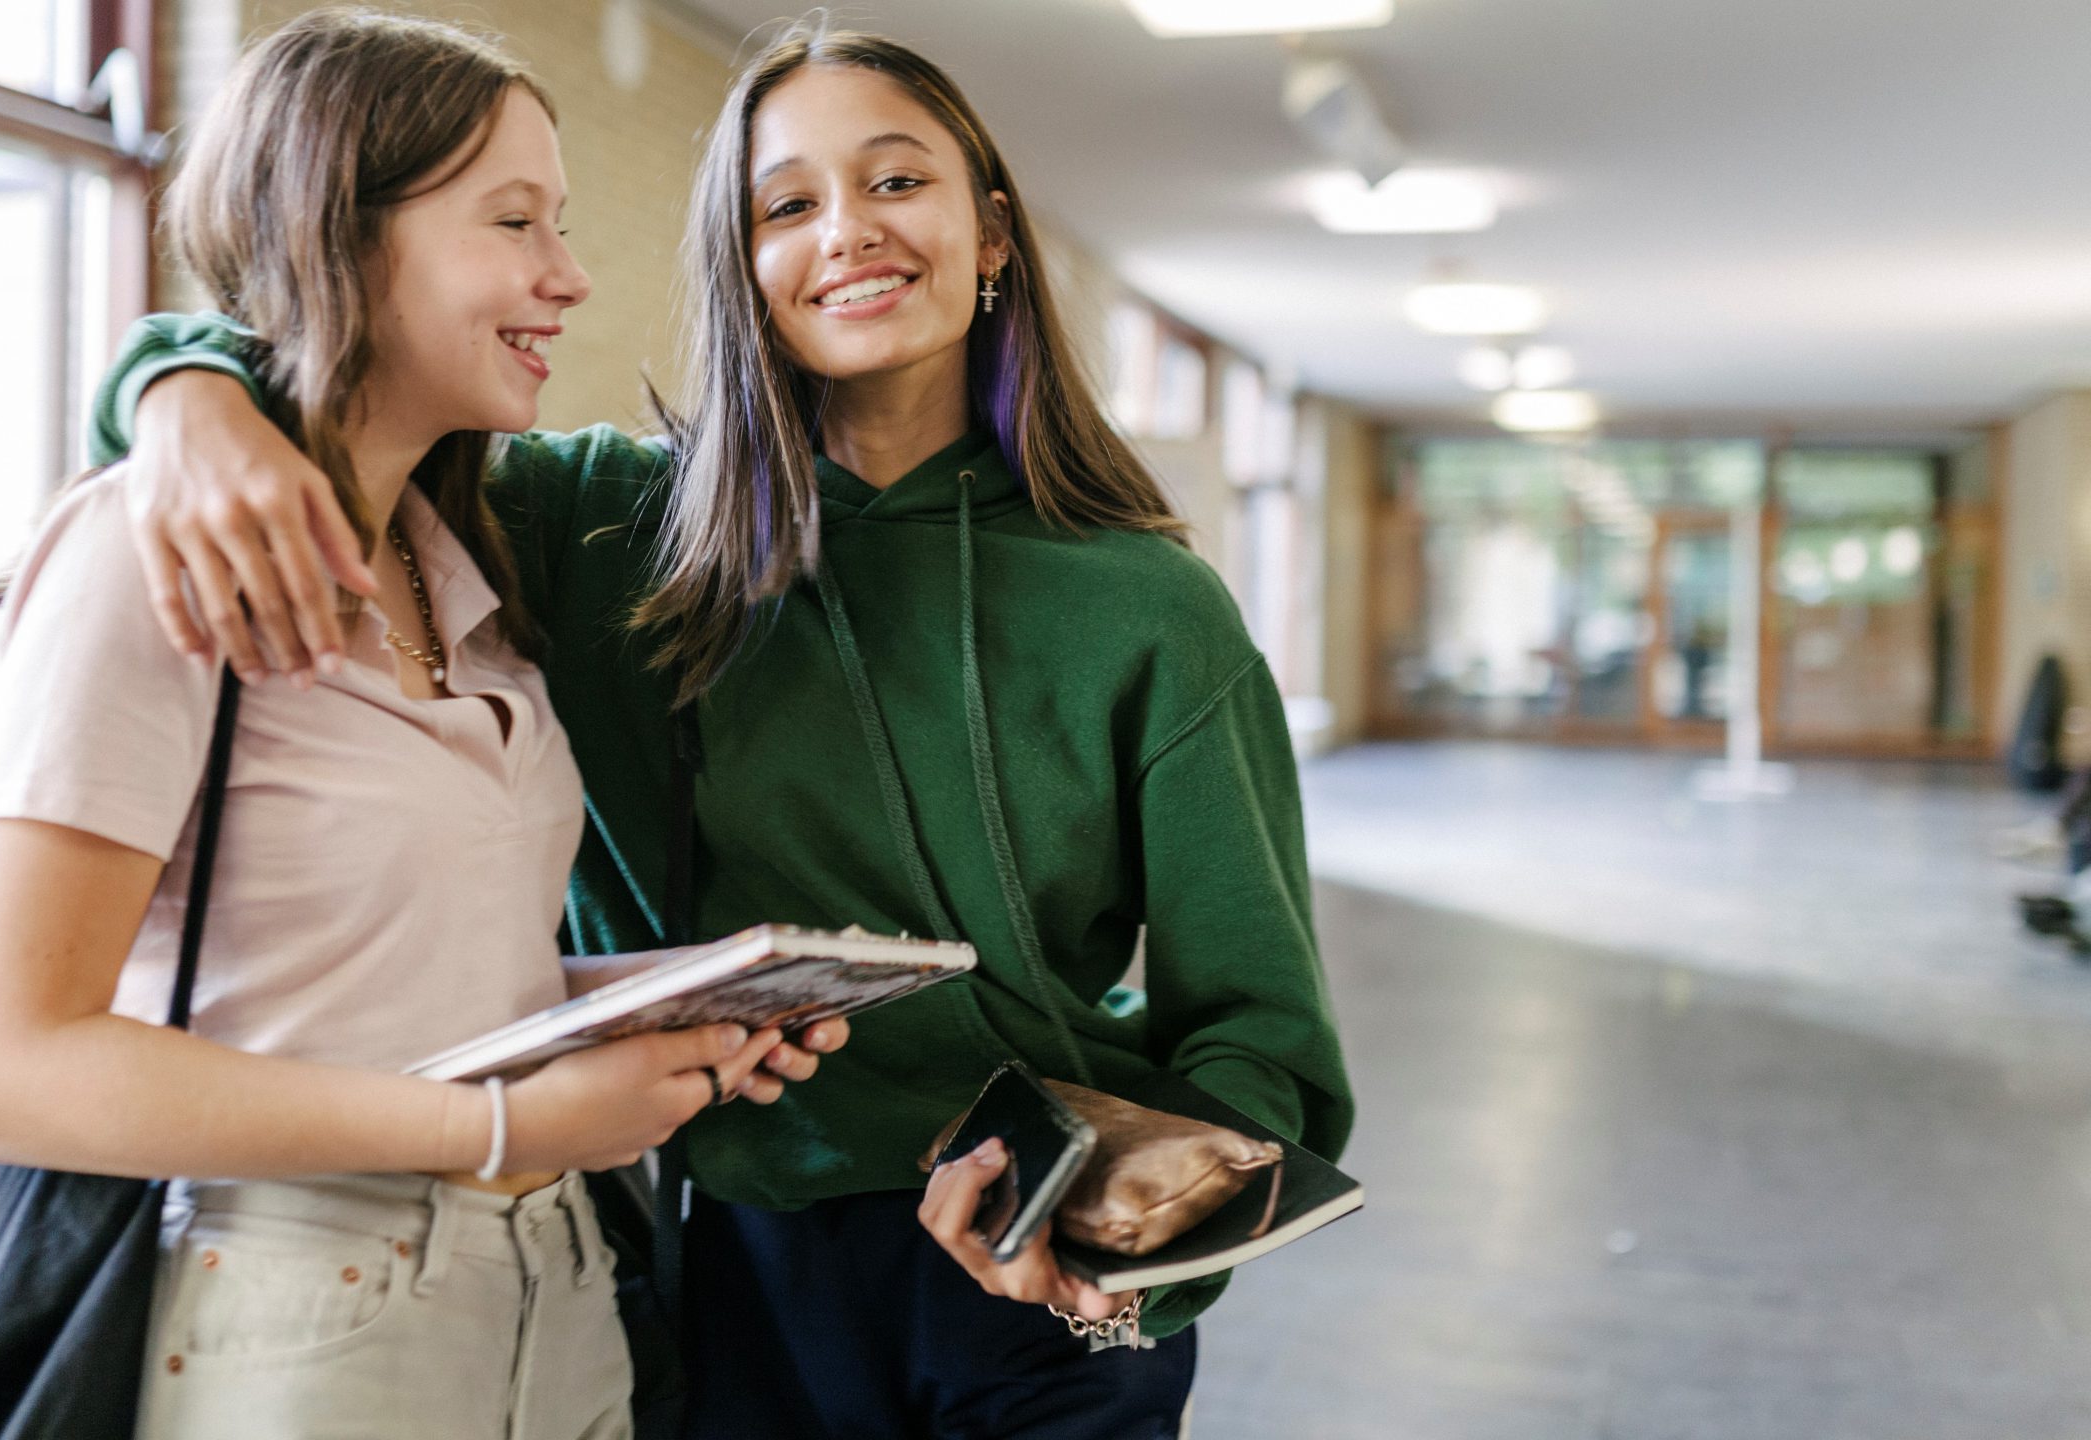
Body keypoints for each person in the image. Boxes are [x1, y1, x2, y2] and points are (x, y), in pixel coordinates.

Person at [89, 20, 1353, 1438]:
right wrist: (176, 387)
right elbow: (322, 384)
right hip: (701, 1254)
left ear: (992, 232)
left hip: (1025, 1284)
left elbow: (1260, 1038)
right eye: (787, 205)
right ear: (738, 265)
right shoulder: (599, 529)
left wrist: (1123, 1241)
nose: (848, 235)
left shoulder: (1149, 608)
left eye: (897, 184)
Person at [0, 12, 837, 1439]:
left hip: (548, 1297)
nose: (569, 275)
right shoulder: (145, 555)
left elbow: (391, 980)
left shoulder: (464, 562)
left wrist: (665, 1002)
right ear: (341, 236)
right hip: (287, 1309)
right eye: (513, 220)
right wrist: (500, 1128)